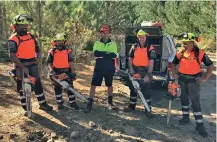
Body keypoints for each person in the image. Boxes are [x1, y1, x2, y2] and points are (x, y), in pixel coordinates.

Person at [8, 14, 53, 116]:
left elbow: (37, 49)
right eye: (21, 25)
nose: (24, 27)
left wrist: (38, 57)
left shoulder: (31, 36)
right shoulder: (13, 39)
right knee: (22, 88)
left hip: (32, 64)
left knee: (37, 85)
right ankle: (26, 108)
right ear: (16, 26)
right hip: (20, 65)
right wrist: (22, 67)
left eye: (25, 25)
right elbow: (12, 55)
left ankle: (43, 104)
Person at [172, 32, 214, 138]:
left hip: (194, 81)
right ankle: (185, 117)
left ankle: (200, 125)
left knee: (195, 102)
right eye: (183, 43)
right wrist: (175, 73)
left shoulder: (200, 53)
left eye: (186, 43)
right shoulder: (181, 52)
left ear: (192, 43)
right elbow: (173, 63)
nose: (184, 45)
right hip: (182, 79)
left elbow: (210, 66)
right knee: (184, 99)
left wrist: (204, 78)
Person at [85, 24, 118, 113]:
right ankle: (90, 103)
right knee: (93, 85)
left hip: (109, 67)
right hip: (99, 67)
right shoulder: (97, 43)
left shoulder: (113, 44)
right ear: (101, 33)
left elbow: (114, 55)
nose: (104, 34)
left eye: (106, 32)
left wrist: (102, 54)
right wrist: (107, 54)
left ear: (109, 33)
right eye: (103, 32)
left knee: (109, 85)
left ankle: (110, 102)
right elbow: (96, 53)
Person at [123, 29, 156, 118]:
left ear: (146, 37)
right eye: (140, 37)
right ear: (138, 38)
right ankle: (132, 106)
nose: (141, 39)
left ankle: (148, 109)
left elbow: (151, 62)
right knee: (133, 89)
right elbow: (130, 58)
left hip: (145, 71)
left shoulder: (150, 48)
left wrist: (148, 75)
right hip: (135, 70)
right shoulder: (134, 46)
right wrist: (131, 69)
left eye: (143, 37)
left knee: (146, 91)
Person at [46, 33, 79, 110]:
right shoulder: (51, 51)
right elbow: (49, 63)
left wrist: (73, 73)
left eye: (61, 41)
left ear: (65, 42)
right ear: (55, 42)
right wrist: (52, 71)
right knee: (57, 88)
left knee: (70, 87)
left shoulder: (68, 51)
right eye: (58, 41)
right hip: (56, 72)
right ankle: (60, 103)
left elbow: (71, 63)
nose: (60, 43)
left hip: (66, 72)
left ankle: (72, 102)